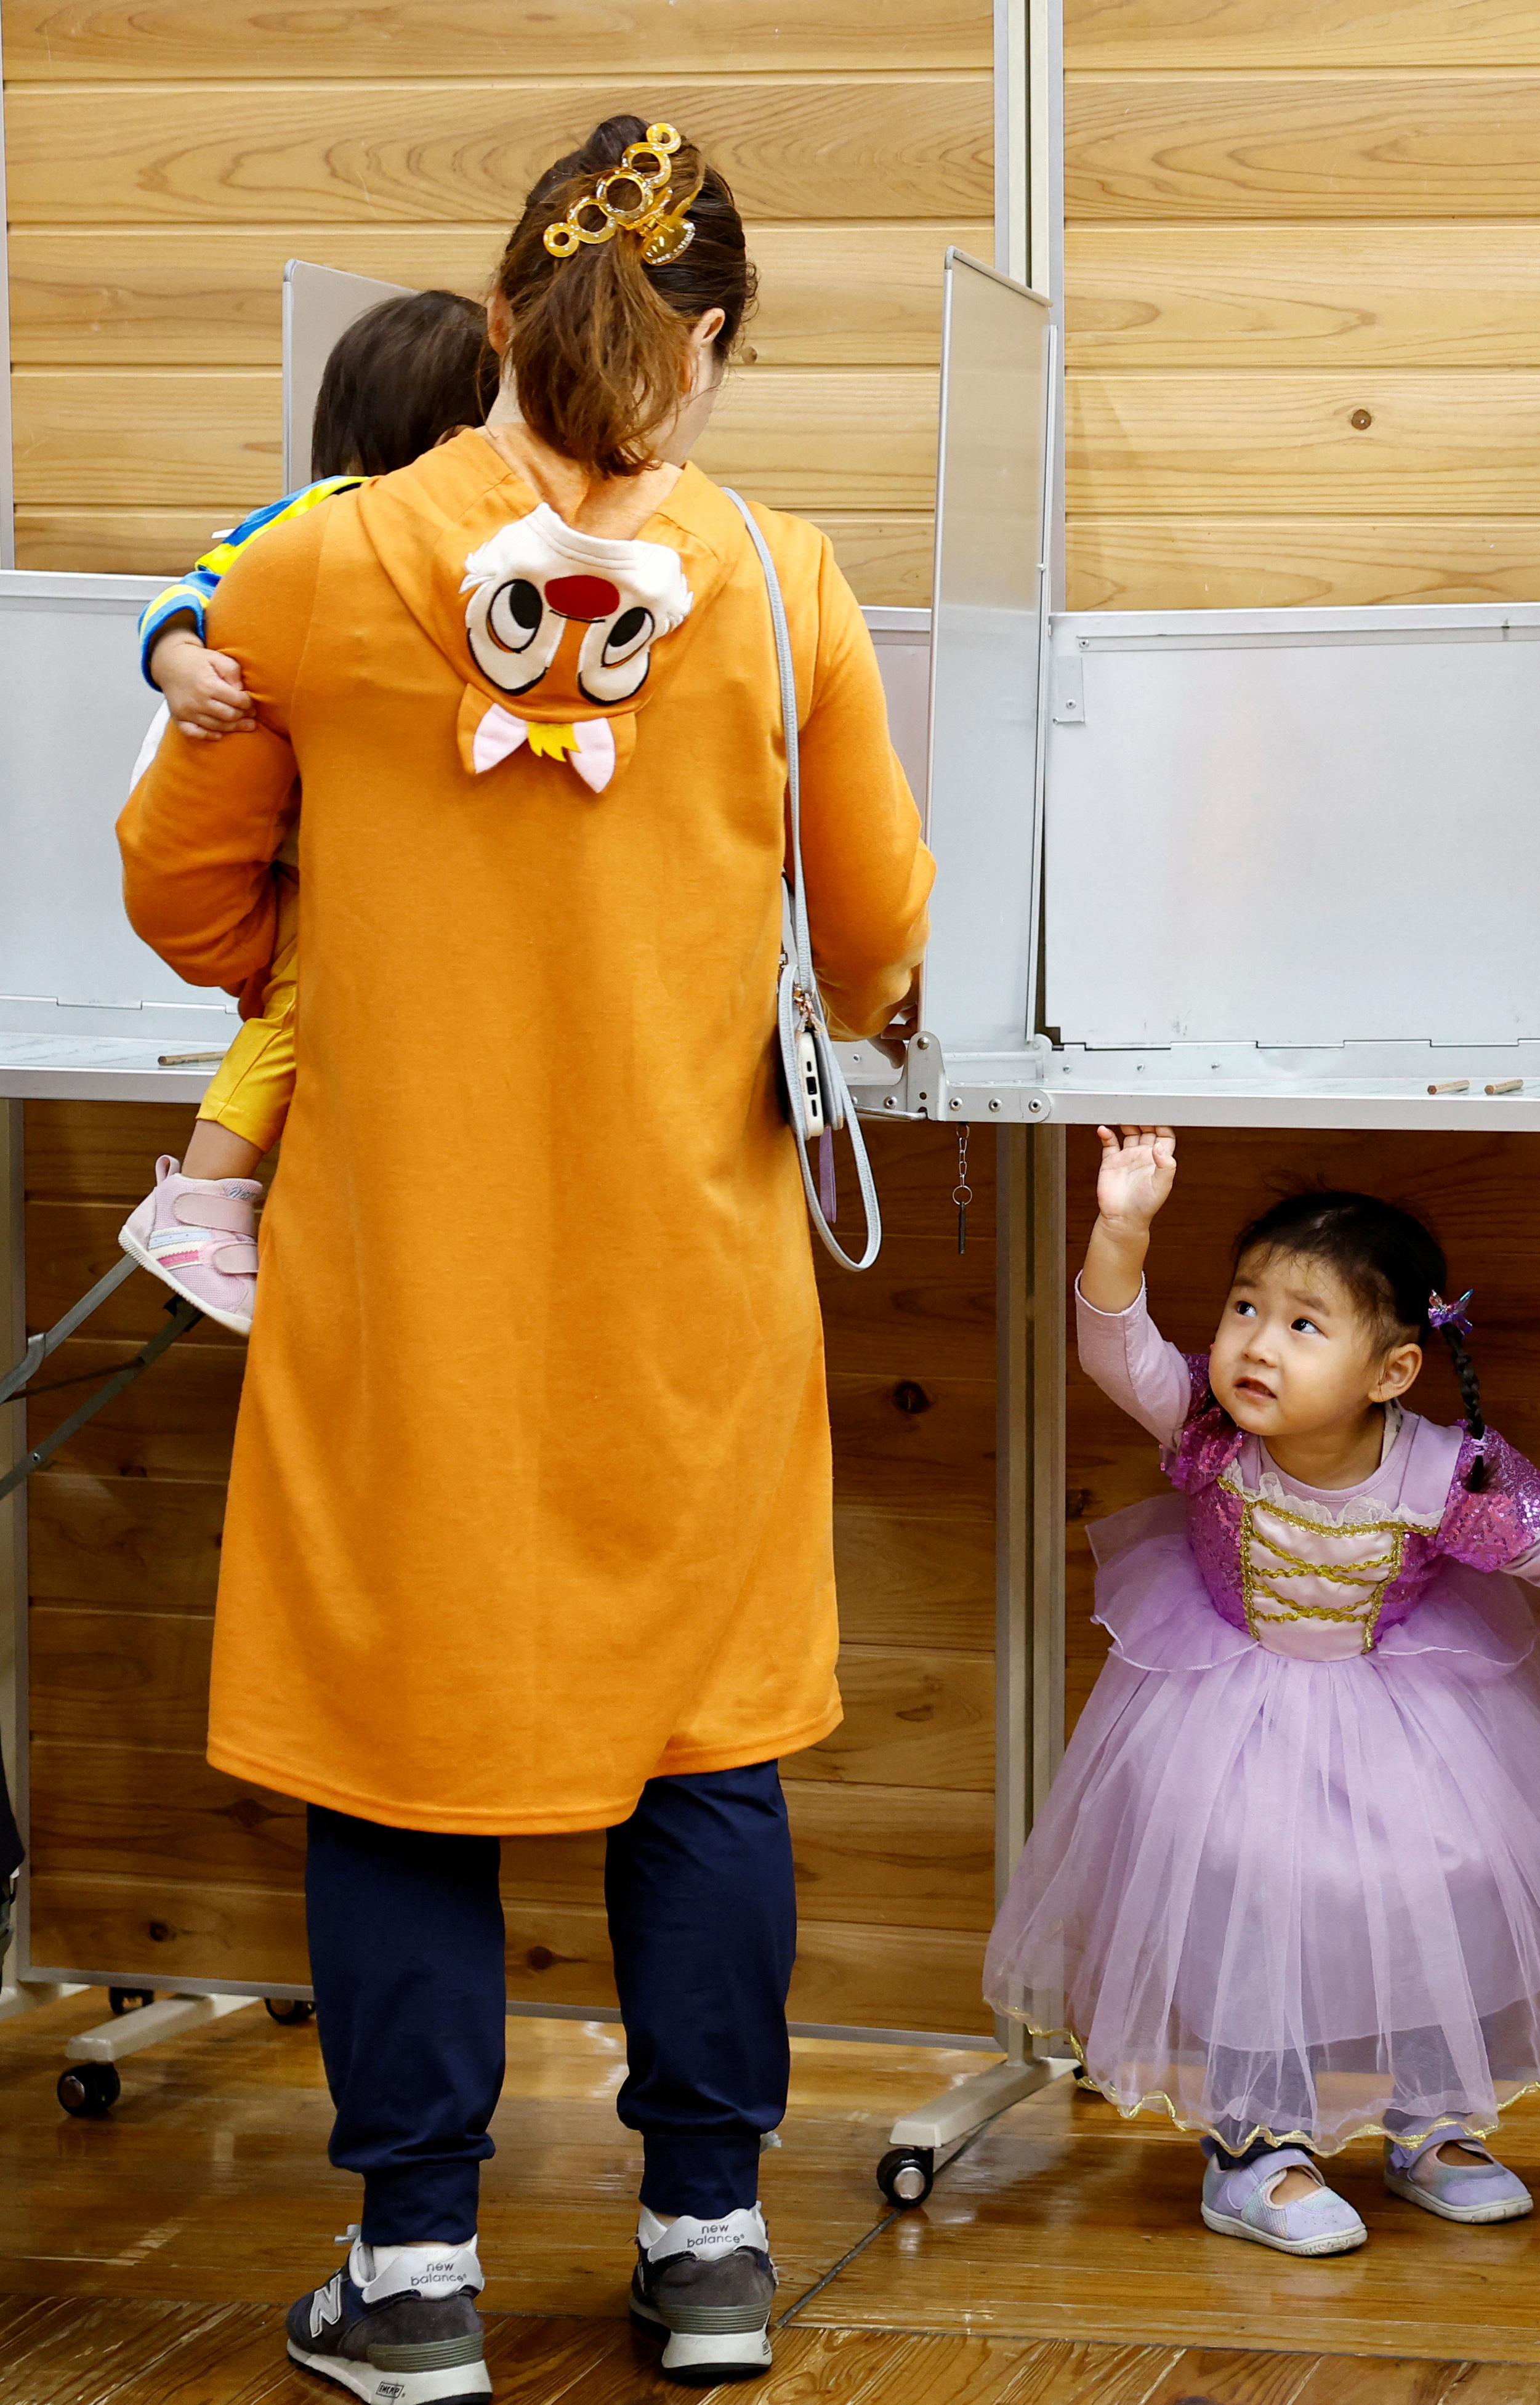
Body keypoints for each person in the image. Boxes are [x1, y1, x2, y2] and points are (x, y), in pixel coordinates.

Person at [118, 115, 933, 2400]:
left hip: (412, 1292)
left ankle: (415, 2280)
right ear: (723, 347)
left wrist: (356, 901)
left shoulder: (310, 574)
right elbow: (868, 948)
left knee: (398, 1750)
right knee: (705, 1751)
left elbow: (187, 910)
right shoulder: (785, 584)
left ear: (490, 320)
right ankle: (705, 2245)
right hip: (696, 1294)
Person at [985, 1126, 1540, 2257]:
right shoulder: (1202, 1426)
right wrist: (1123, 1227)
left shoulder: (1445, 1467)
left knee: (1448, 1876)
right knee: (1246, 1884)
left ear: (1391, 1369)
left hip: (1399, 1705)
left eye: (1302, 1324)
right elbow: (1114, 1351)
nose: (1255, 1345)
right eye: (1244, 1308)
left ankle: (1433, 2118)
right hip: (1227, 1705)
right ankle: (1255, 2147)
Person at [119, 288, 501, 1334]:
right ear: (454, 437)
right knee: (297, 1011)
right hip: (304, 857)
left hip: (367, 869)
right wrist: (179, 661)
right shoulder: (323, 516)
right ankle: (199, 1203)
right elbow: (185, 589)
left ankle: (210, 1201)